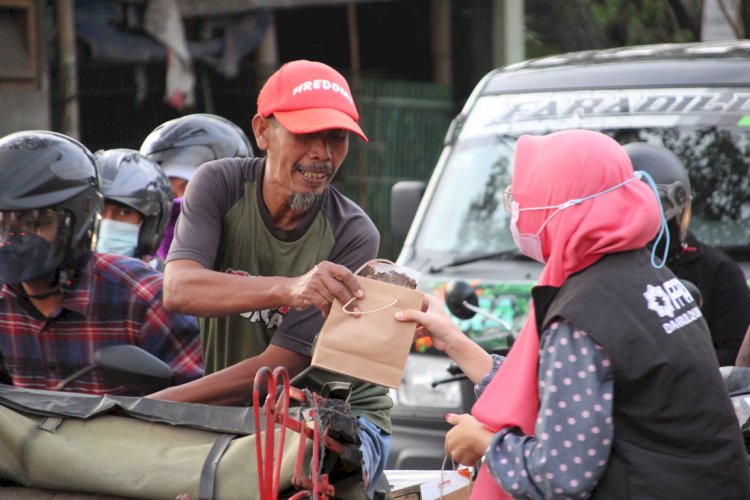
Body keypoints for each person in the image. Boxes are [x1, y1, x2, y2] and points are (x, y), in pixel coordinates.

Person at [395, 129, 750, 498]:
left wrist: (485, 442)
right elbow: (563, 390)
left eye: (520, 199)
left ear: (558, 206)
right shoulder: (649, 276)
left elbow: (562, 476)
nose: (514, 214)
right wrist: (453, 340)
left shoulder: (584, 314)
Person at [146, 60, 392, 493]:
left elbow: (281, 364)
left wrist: (146, 410)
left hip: (343, 418)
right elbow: (180, 288)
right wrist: (289, 288)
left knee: (315, 476)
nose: (323, 153)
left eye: (336, 137)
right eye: (305, 133)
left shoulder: (354, 233)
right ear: (263, 132)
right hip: (244, 412)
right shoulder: (219, 184)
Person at [0, 130, 203, 395]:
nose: (16, 238)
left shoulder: (145, 299)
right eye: (3, 224)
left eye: (35, 222)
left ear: (76, 221)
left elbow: (203, 401)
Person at [624, 141, 750, 366]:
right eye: (622, 206)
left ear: (679, 204)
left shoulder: (719, 272)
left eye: (650, 206)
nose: (634, 220)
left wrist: (661, 367)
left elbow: (735, 360)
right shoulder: (597, 271)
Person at [140, 113, 254, 260]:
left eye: (191, 188)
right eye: (168, 196)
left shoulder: (268, 254)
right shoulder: (147, 275)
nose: (177, 204)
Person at [94, 148, 173, 271]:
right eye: (99, 210)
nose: (106, 223)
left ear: (151, 225)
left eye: (123, 212)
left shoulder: (172, 285)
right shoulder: (66, 285)